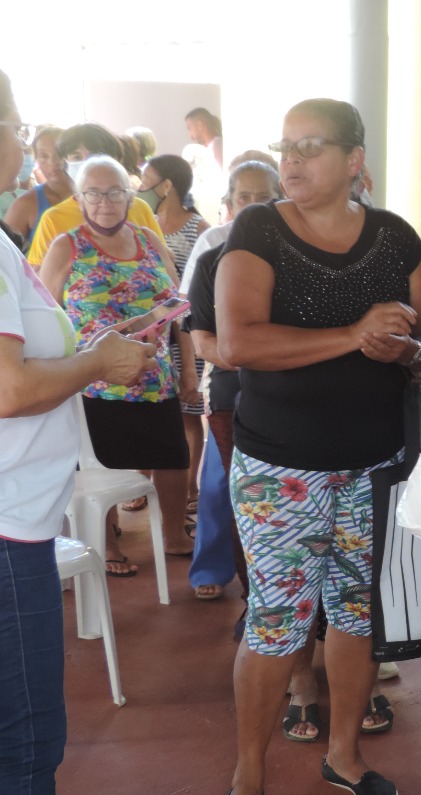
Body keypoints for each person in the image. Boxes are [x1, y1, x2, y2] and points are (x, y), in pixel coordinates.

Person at [214, 97, 421, 795]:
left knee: (357, 617)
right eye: (285, 145)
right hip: (282, 466)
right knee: (278, 625)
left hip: (375, 465)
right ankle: (247, 775)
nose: (292, 160)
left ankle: (344, 756)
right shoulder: (258, 230)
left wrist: (404, 351)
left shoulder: (393, 238)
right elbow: (239, 342)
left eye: (311, 146)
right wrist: (354, 335)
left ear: (354, 160)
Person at [0, 65, 164, 795]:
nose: (29, 141)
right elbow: (11, 386)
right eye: (17, 122)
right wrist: (98, 362)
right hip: (8, 527)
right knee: (25, 743)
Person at [38, 156, 195, 572]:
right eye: (93, 192)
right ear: (79, 198)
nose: (104, 201)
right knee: (99, 465)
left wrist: (190, 370)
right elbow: (47, 314)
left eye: (114, 192)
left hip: (154, 377)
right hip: (94, 381)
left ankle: (175, 534)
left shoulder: (148, 238)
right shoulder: (67, 245)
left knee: (173, 457)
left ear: (130, 196)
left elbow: (178, 306)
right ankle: (107, 543)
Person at [183, 160, 283, 605]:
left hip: (291, 389)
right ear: (228, 203)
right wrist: (247, 357)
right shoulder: (211, 250)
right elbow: (198, 332)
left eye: (265, 197)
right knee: (224, 485)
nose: (255, 206)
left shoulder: (295, 247)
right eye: (245, 197)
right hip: (232, 384)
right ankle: (224, 575)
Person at [138, 154, 212, 513]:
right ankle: (141, 484)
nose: (140, 186)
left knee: (187, 410)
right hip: (154, 336)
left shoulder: (199, 228)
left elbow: (202, 287)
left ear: (167, 185)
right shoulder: (142, 225)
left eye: (146, 178)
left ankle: (190, 487)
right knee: (151, 414)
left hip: (186, 330)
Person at [25, 124, 165, 268]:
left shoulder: (140, 208)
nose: (88, 162)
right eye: (77, 156)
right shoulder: (53, 218)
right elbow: (39, 279)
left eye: (97, 154)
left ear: (117, 160)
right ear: (66, 164)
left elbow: (165, 263)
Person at [3, 126, 70, 249]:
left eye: (59, 154)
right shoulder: (25, 204)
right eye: (44, 155)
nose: (53, 161)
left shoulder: (93, 197)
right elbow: (6, 255)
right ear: (36, 159)